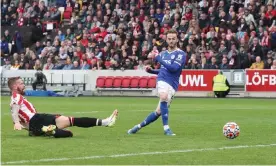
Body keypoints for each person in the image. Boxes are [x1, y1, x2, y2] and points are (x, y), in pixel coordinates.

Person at [8, 77, 118, 138]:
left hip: (34, 127)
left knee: (69, 133)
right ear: (14, 86)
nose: (24, 85)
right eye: (21, 83)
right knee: (71, 120)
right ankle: (106, 122)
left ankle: (49, 131)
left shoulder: (16, 98)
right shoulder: (16, 96)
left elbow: (19, 116)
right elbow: (14, 112)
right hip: (36, 119)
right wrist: (17, 122)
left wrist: (27, 128)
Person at [127, 29, 186, 136]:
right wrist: (152, 71)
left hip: (173, 84)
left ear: (177, 39)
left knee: (158, 112)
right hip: (162, 80)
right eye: (169, 39)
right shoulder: (163, 53)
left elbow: (173, 68)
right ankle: (166, 129)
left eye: (173, 39)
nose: (171, 41)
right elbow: (163, 70)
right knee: (163, 96)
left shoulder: (181, 54)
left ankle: (138, 126)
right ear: (166, 40)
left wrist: (158, 59)